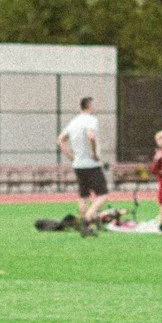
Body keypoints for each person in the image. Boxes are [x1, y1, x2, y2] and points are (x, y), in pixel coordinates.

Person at [58, 96, 108, 234]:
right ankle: (87, 219)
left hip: (78, 165)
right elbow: (91, 136)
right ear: (90, 106)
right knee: (103, 195)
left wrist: (70, 156)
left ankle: (83, 226)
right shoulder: (91, 120)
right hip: (91, 164)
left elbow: (61, 139)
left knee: (83, 196)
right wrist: (95, 153)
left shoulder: (74, 121)